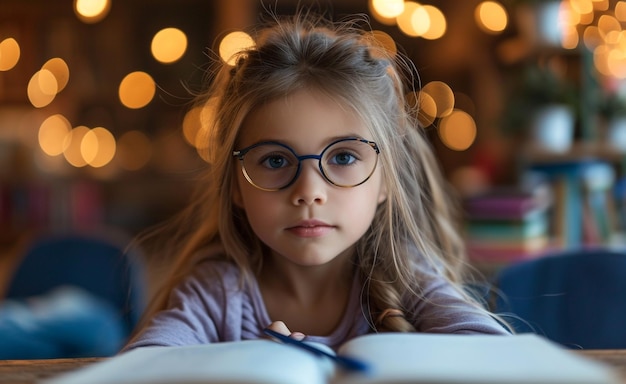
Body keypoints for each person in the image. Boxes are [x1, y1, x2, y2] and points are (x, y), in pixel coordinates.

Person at [124, 11, 509, 351]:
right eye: (275, 160)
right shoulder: (215, 293)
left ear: (386, 180)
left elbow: (504, 364)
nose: (308, 192)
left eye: (343, 157)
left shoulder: (410, 281)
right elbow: (138, 379)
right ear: (236, 186)